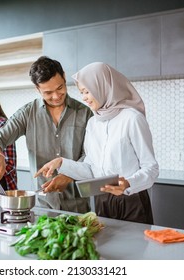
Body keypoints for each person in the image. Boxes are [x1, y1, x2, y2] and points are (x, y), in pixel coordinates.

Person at [35, 62, 159, 224]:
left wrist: (128, 183)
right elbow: (91, 170)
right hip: (102, 201)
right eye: (81, 93)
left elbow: (151, 168)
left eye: (87, 92)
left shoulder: (132, 118)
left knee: (135, 249)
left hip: (131, 200)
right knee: (105, 249)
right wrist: (61, 163)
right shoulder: (93, 123)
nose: (84, 98)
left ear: (103, 87)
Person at [0, 56, 93, 213]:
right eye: (48, 92)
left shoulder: (85, 113)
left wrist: (70, 175)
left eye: (60, 88)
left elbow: (92, 155)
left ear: (63, 76)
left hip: (78, 206)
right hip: (43, 205)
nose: (56, 96)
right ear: (37, 89)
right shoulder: (28, 113)